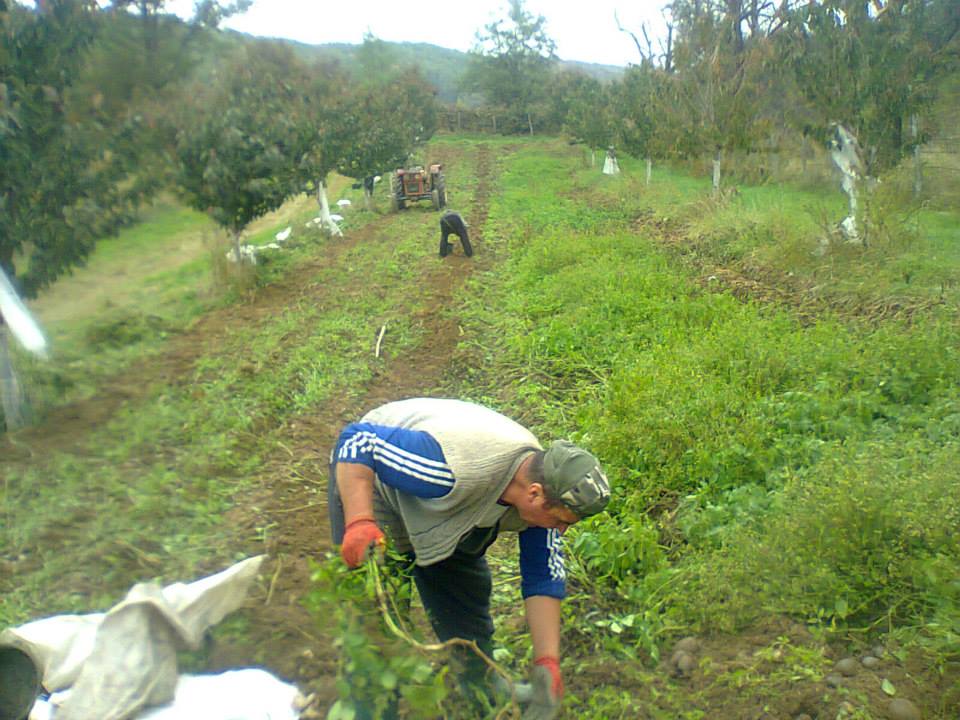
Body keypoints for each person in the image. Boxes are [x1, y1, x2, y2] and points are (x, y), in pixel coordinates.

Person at [328, 397, 610, 719]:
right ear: (534, 494)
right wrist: (360, 521)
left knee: (464, 595)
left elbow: (543, 574)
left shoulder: (545, 491)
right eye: (561, 522)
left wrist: (547, 662)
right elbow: (358, 441)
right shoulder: (449, 470)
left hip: (453, 506)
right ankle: (373, 709)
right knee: (376, 623)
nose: (560, 531)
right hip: (372, 479)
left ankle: (481, 691)